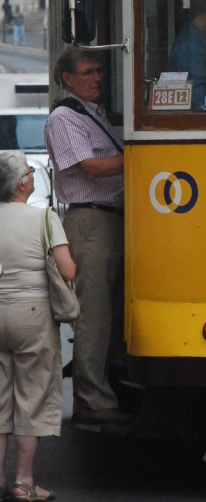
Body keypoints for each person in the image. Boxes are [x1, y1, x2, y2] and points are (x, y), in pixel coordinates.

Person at [44, 46, 130, 431]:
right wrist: (144, 155)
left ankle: (105, 390)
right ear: (67, 78)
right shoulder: (64, 118)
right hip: (90, 221)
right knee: (93, 316)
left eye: (99, 71)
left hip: (109, 219)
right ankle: (91, 400)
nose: (97, 78)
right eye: (88, 72)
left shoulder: (93, 113)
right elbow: (90, 168)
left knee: (110, 312)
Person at [0, 150, 76, 502]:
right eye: (30, 171)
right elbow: (68, 270)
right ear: (22, 183)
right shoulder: (44, 218)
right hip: (32, 314)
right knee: (30, 397)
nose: (32, 175)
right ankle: (24, 482)